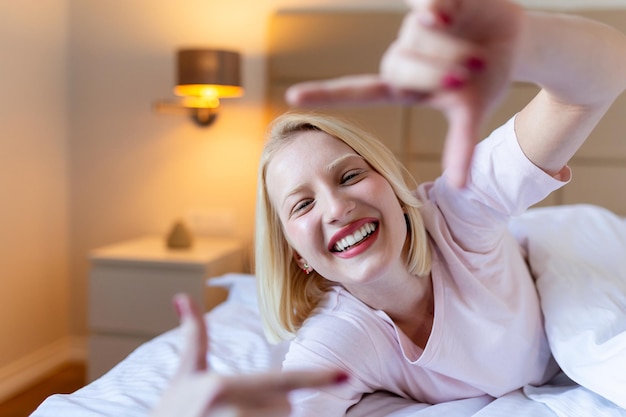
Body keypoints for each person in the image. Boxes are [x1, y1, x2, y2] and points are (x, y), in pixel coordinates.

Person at [253, 0, 626, 415]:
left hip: (575, 246)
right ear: (295, 254)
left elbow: (605, 76)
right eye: (303, 204)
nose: (337, 207)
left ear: (392, 187)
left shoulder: (460, 209)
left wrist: (527, 41)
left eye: (350, 176)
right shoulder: (337, 338)